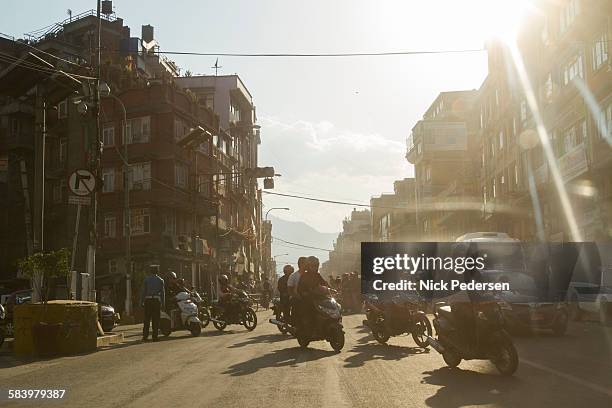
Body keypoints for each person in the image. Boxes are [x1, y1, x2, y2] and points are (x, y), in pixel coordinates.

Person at [141, 265, 165, 342]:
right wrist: (163, 303)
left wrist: (141, 301)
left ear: (150, 271)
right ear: (157, 271)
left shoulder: (146, 280)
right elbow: (162, 293)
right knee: (156, 319)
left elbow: (143, 292)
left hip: (148, 300)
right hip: (156, 300)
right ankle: (155, 337)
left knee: (147, 319)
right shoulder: (160, 280)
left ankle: (145, 336)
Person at [287, 257, 307, 324]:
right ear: (300, 264)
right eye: (305, 263)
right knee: (297, 307)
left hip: (308, 297)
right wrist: (297, 296)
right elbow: (290, 290)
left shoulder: (311, 275)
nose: (307, 265)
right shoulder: (293, 276)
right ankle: (295, 324)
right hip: (297, 298)